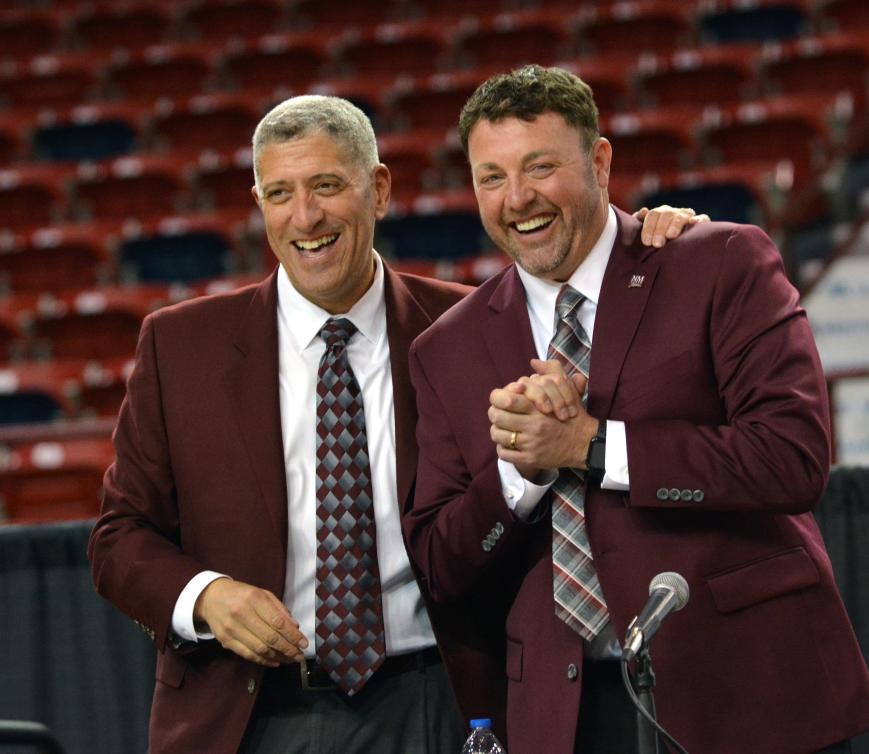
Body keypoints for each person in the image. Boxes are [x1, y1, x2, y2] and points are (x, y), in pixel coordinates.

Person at [86, 93, 703, 753]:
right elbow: (120, 536)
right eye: (280, 193)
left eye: (327, 186)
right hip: (251, 710)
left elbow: (592, 301)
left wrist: (648, 242)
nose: (306, 216)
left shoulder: (473, 327)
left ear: (378, 189)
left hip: (444, 701)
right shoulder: (182, 347)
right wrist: (205, 597)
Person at [402, 65, 869, 754]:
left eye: (541, 166)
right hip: (568, 718)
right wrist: (522, 474)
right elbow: (443, 565)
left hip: (746, 692)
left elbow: (793, 458)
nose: (518, 198)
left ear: (600, 162)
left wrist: (592, 446)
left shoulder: (717, 261)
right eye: (491, 177)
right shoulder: (446, 348)